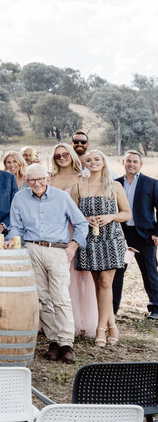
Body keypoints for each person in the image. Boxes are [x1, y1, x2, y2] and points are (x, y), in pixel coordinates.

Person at [8, 162, 88, 364]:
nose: (36, 183)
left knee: (60, 297)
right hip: (32, 249)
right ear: (26, 181)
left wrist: (73, 245)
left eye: (40, 179)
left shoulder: (62, 197)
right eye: (32, 180)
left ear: (48, 179)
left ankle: (66, 343)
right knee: (42, 298)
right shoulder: (20, 197)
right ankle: (53, 342)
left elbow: (81, 223)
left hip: (58, 250)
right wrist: (12, 238)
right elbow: (16, 226)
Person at [72, 149, 130, 346]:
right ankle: (112, 325)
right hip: (90, 239)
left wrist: (110, 217)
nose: (93, 162)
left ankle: (101, 329)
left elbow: (126, 214)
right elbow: (72, 216)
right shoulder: (78, 187)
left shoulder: (115, 186)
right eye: (89, 160)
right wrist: (85, 219)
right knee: (99, 284)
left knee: (106, 282)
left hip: (112, 238)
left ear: (103, 162)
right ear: (85, 164)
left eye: (97, 159)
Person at [48, 143, 96, 338]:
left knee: (79, 277)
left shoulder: (83, 176)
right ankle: (54, 322)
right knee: (56, 276)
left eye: (65, 154)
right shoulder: (49, 178)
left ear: (72, 155)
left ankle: (81, 321)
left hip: (76, 229)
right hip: (54, 231)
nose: (61, 157)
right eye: (57, 155)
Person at [114, 151, 158, 320]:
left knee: (149, 272)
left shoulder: (152, 183)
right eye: (128, 161)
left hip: (145, 235)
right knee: (117, 271)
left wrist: (156, 233)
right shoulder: (115, 183)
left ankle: (155, 308)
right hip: (121, 235)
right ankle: (112, 308)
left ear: (141, 164)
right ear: (123, 162)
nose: (131, 164)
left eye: (135, 161)